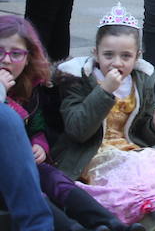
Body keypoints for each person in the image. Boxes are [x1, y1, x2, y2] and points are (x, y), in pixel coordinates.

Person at [54, 4, 155, 230]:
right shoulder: (78, 79)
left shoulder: (140, 80)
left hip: (130, 151)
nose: (117, 62)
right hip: (92, 157)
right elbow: (77, 130)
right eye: (108, 55)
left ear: (137, 56)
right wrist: (104, 92)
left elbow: (141, 134)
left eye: (126, 56)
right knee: (134, 184)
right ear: (95, 53)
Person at [0, 15, 140, 231]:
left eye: (16, 53)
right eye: (0, 51)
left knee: (54, 179)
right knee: (33, 189)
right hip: (8, 173)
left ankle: (110, 223)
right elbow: (7, 122)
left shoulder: (29, 88)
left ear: (28, 58)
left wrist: (40, 145)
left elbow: (37, 125)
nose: (7, 60)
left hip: (26, 165)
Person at [0, 98, 54, 231]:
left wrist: (40, 144)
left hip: (34, 160)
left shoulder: (31, 92)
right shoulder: (5, 117)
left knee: (51, 176)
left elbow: (37, 127)